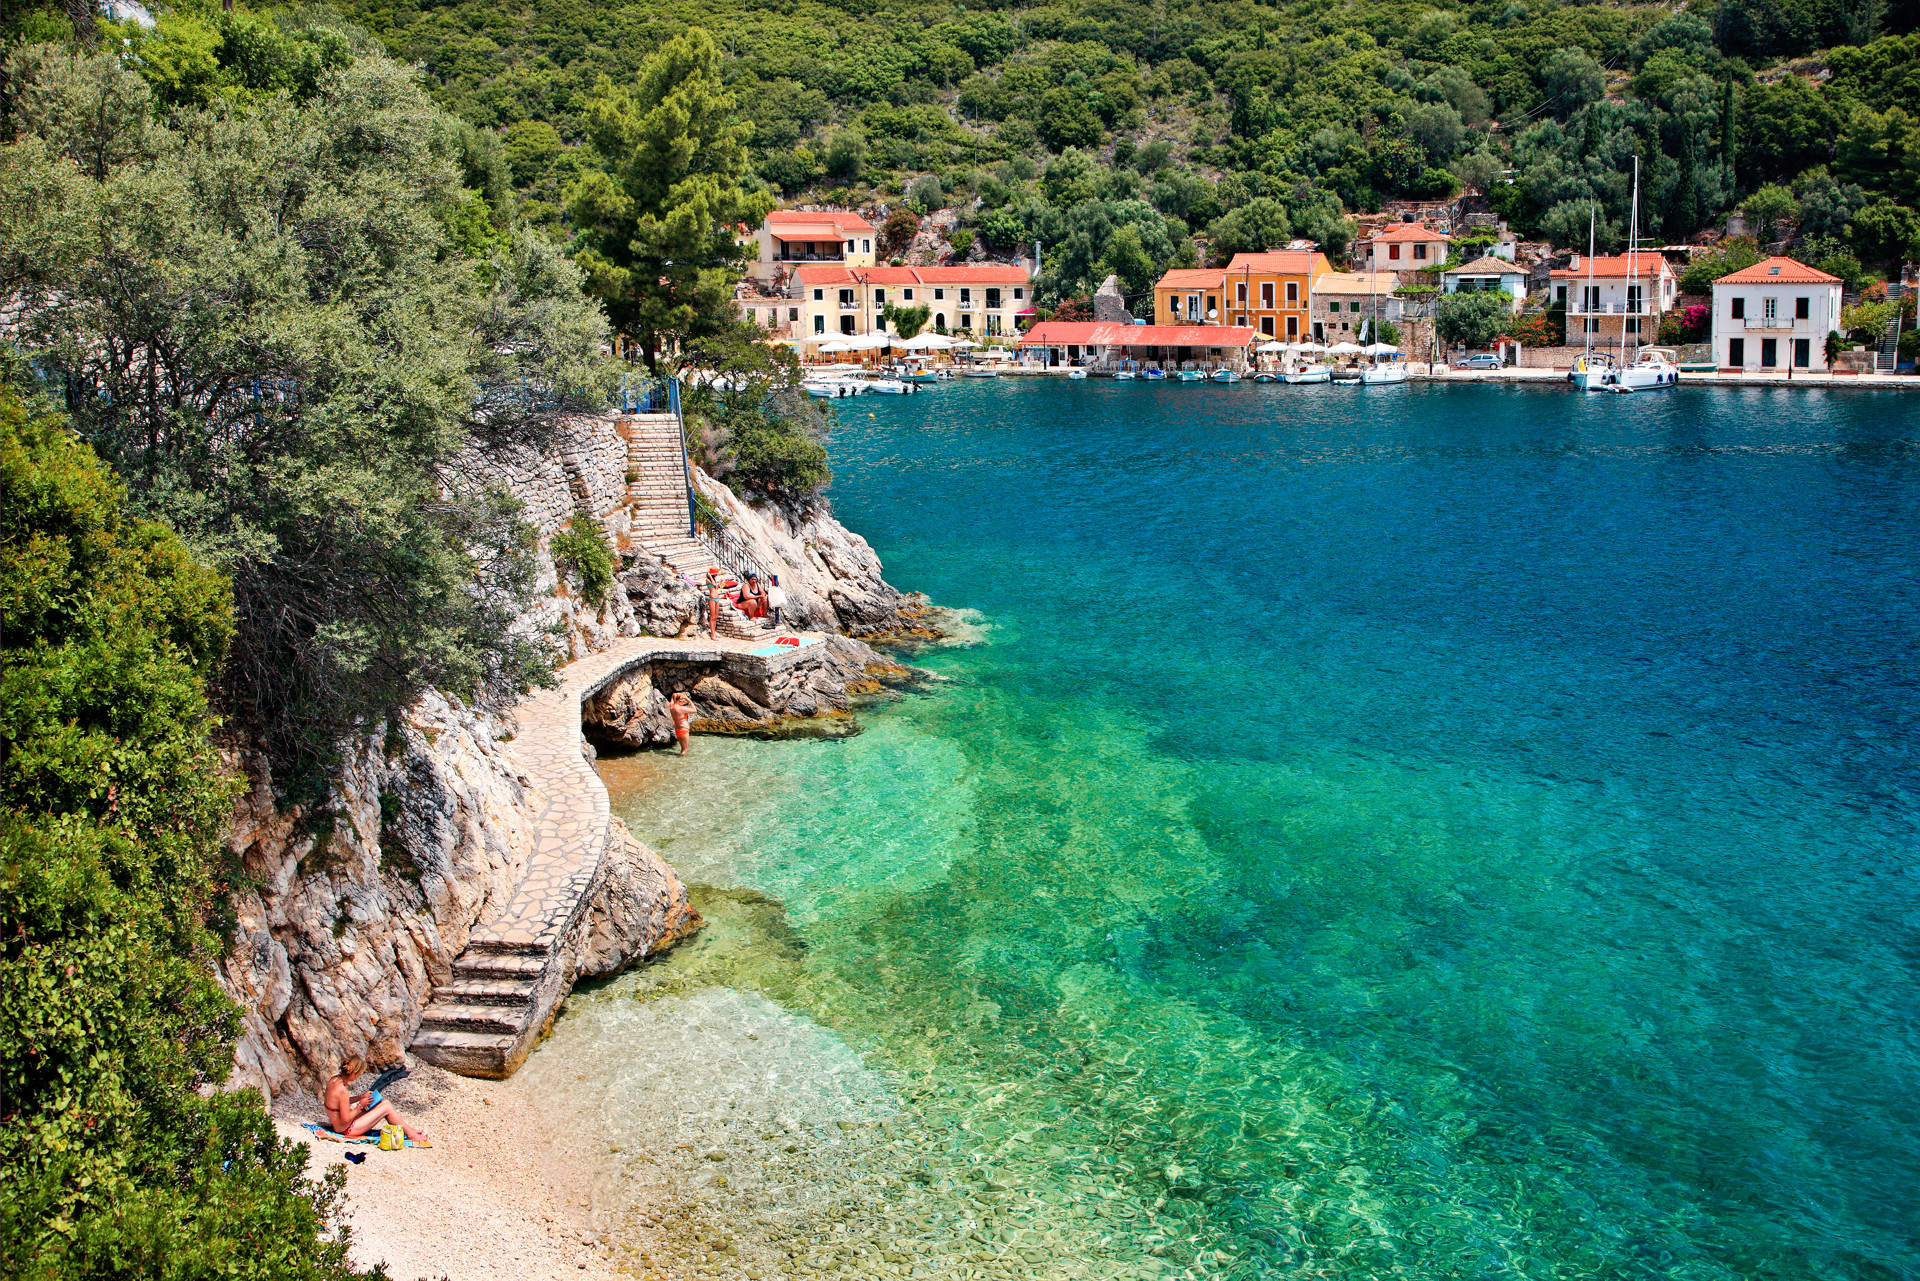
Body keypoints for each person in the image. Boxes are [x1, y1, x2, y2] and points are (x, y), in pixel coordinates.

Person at [323, 1055, 431, 1145]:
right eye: (359, 1074)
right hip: (345, 1129)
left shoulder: (334, 1080)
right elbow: (346, 1119)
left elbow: (340, 1103)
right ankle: (412, 1135)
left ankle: (410, 1130)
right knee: (386, 1107)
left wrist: (360, 1097)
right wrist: (360, 1105)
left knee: (383, 1103)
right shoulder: (343, 1090)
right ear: (353, 1073)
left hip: (339, 1125)